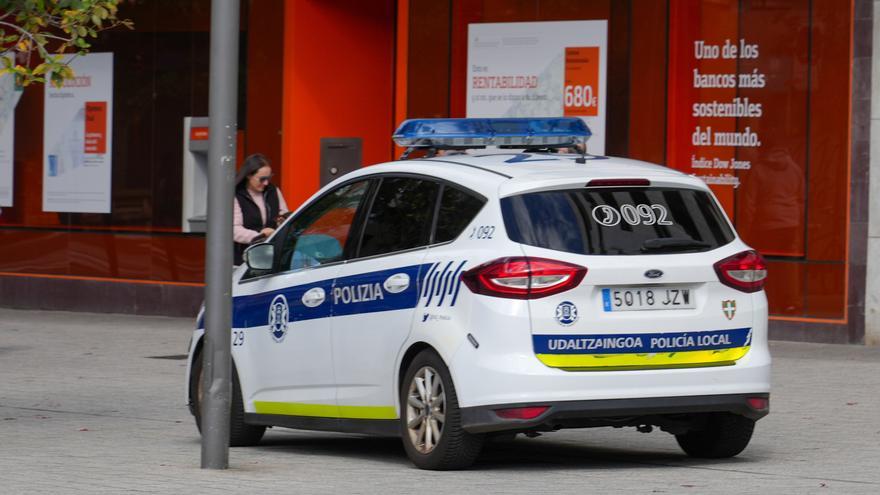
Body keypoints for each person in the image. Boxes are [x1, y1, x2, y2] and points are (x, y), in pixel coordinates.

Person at [233, 153, 289, 265]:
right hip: (245, 257)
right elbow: (234, 229)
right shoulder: (237, 195)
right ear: (249, 175)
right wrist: (260, 236)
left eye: (269, 178)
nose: (266, 183)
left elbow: (283, 213)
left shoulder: (273, 191)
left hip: (270, 254)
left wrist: (282, 221)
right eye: (262, 179)